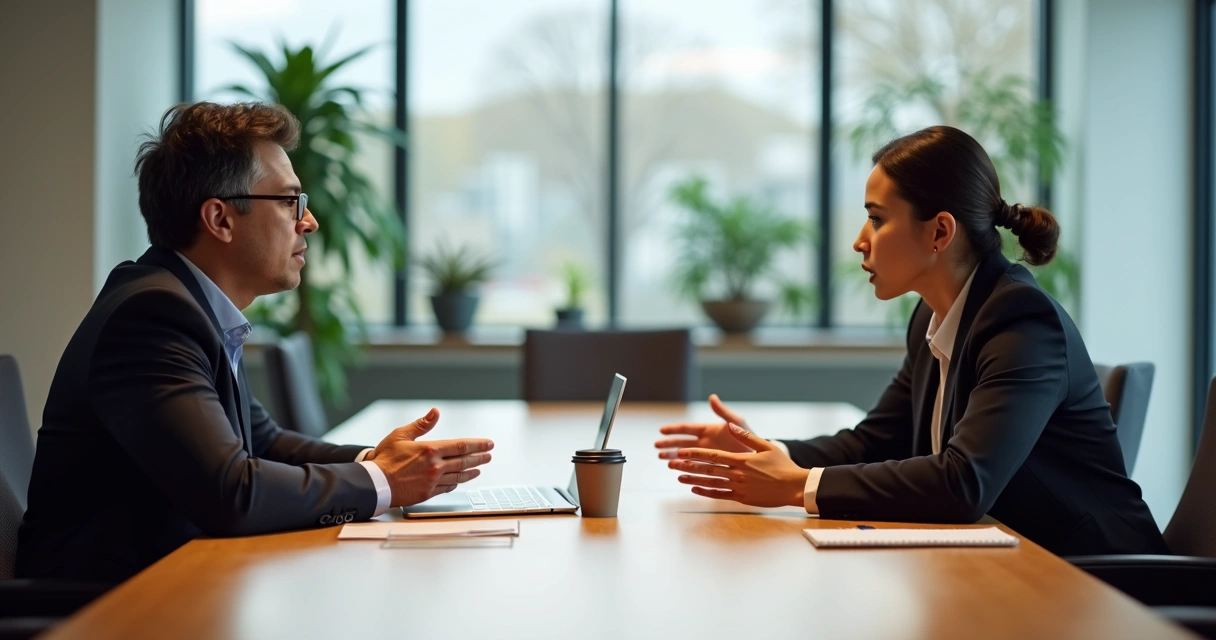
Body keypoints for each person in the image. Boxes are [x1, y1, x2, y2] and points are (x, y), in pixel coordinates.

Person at [17, 102, 494, 583]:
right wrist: (384, 481)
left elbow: (262, 444)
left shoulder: (189, 304)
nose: (308, 222)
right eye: (290, 202)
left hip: (179, 584)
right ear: (220, 219)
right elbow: (231, 492)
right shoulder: (152, 316)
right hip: (106, 609)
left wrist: (377, 460)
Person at [655, 126, 1166, 556]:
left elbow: (964, 484)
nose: (860, 239)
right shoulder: (934, 314)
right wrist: (765, 451)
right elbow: (874, 441)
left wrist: (795, 485)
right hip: (1013, 564)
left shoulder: (1021, 321)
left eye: (877, 218)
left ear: (940, 232)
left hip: (1103, 585)